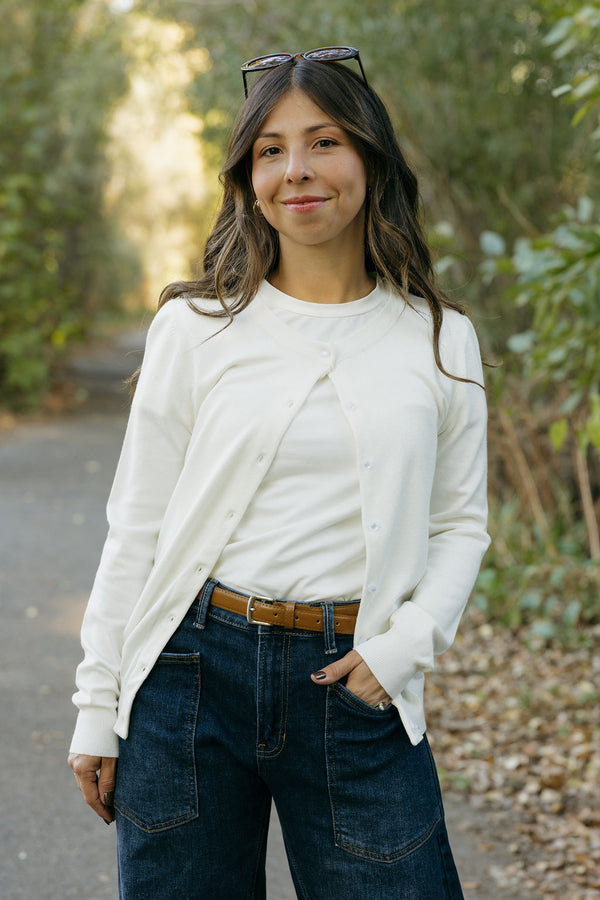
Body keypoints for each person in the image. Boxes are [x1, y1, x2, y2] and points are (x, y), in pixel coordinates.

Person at [68, 46, 490, 899]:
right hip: (187, 677)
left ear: (369, 158)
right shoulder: (196, 326)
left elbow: (460, 525)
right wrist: (96, 706)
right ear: (248, 176)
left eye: (324, 141)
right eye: (270, 150)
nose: (297, 170)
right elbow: (136, 526)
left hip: (355, 679)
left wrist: (403, 648)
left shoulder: (441, 338)